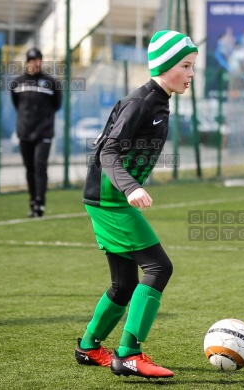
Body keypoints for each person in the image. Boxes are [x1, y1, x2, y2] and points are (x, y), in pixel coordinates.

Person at [74, 30, 198, 379]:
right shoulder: (142, 102)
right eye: (186, 66)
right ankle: (128, 353)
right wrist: (129, 188)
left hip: (107, 196)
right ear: (166, 66)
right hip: (110, 199)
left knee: (124, 283)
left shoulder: (160, 100)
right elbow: (108, 151)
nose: (191, 74)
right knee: (159, 267)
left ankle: (88, 346)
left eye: (192, 67)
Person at [10, 48, 62, 217]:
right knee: (29, 168)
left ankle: (40, 203)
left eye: (38, 60)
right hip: (25, 132)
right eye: (32, 60)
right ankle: (32, 201)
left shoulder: (51, 82)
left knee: (40, 166)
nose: (36, 63)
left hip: (44, 133)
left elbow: (57, 105)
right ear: (27, 62)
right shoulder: (17, 83)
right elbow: (17, 104)